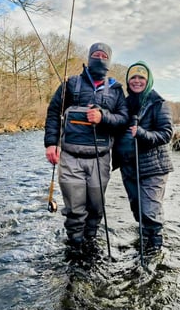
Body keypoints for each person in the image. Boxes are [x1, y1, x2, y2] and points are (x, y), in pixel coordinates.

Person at [44, 42, 129, 247]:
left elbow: (124, 119)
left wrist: (103, 117)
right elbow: (54, 113)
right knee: (74, 210)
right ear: (89, 57)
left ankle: (90, 243)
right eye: (96, 55)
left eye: (103, 56)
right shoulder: (71, 84)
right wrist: (50, 143)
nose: (99, 58)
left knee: (96, 208)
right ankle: (75, 246)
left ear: (109, 61)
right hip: (70, 158)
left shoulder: (116, 90)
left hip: (100, 160)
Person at [112, 61, 174, 248]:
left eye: (141, 78)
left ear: (148, 81)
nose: (137, 81)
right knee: (138, 210)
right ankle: (145, 240)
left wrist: (142, 133)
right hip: (129, 166)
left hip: (153, 166)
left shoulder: (158, 103)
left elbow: (166, 133)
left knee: (150, 211)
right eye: (133, 77)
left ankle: (154, 250)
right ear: (128, 80)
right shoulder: (123, 103)